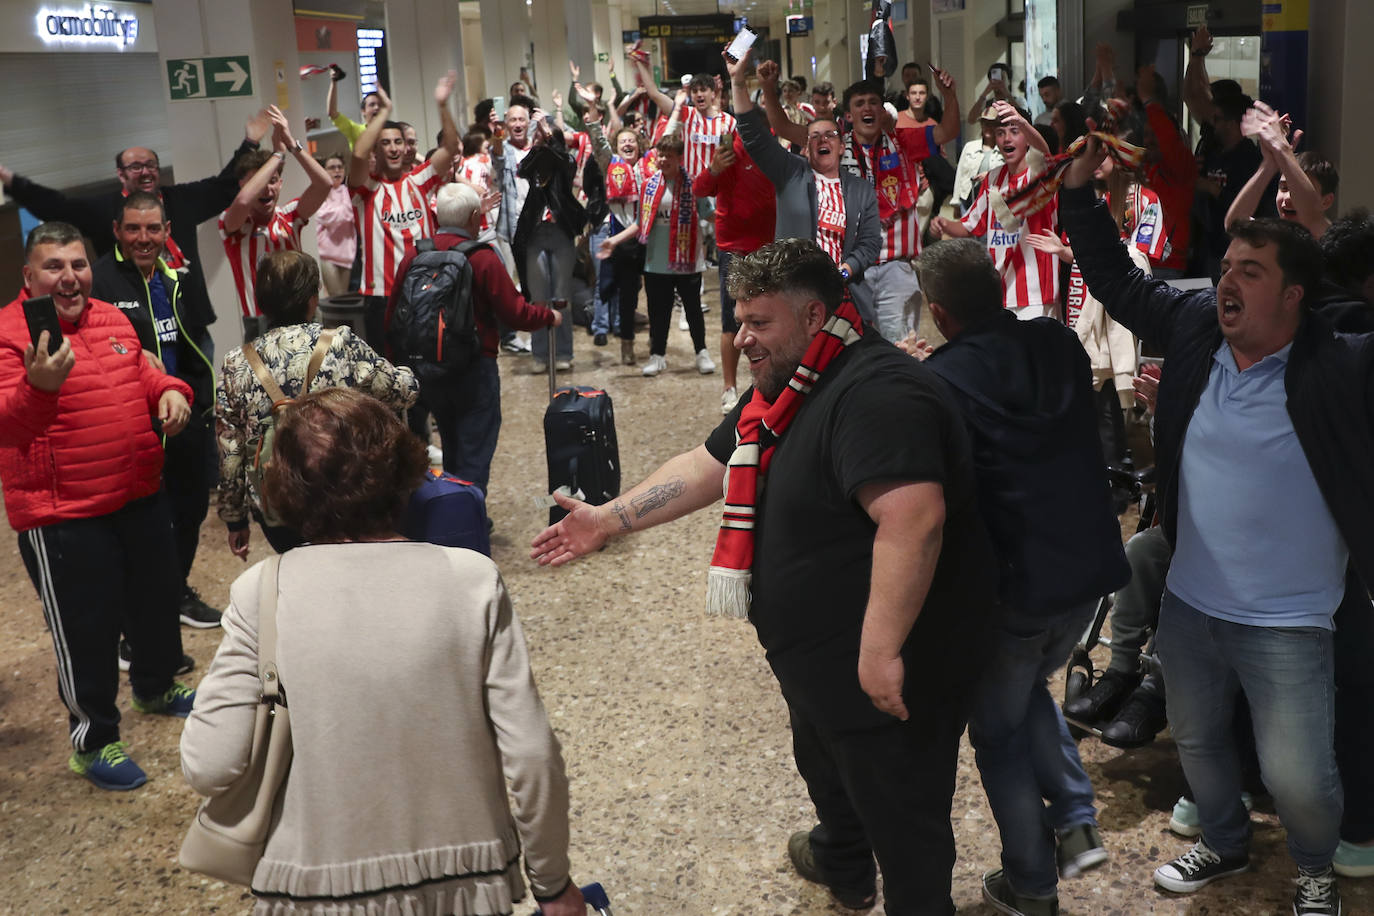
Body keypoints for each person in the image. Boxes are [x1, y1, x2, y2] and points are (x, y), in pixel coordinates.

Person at [532, 238, 998, 913]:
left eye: (759, 323)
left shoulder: (876, 395)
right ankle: (843, 861)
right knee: (828, 775)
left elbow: (914, 520)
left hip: (886, 679)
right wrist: (608, 520)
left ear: (815, 317)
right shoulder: (786, 390)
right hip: (821, 670)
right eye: (740, 319)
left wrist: (880, 649)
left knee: (907, 832)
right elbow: (709, 464)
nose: (741, 337)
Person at [1059, 131, 1369, 916]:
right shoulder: (1200, 327)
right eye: (1226, 269)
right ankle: (1227, 842)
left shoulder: (1339, 361)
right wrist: (1077, 195)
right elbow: (1118, 285)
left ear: (1295, 295)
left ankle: (1312, 870)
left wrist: (1299, 196)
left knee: (1300, 776)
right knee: (1198, 744)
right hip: (1191, 607)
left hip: (1293, 619)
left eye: (1250, 273)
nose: (1226, 281)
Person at [183, 387, 584, 916]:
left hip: (310, 887)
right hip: (466, 884)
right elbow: (532, 755)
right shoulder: (471, 580)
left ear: (284, 487)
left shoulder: (263, 590)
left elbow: (209, 764)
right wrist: (552, 883)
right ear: (404, 471)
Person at [908, 239, 1129, 916]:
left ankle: (1033, 882)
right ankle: (1074, 815)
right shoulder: (1060, 343)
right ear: (1000, 287)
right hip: (1089, 568)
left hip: (1015, 583)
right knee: (1029, 688)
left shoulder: (941, 379)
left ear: (940, 315)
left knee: (998, 733)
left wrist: (922, 373)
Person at [4, 221, 196, 791]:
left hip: (136, 493)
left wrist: (170, 392)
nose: (69, 277)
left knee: (155, 600)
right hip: (64, 513)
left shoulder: (112, 317)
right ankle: (93, 741)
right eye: (54, 267)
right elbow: (6, 423)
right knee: (87, 630)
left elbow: (142, 371)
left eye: (78, 264)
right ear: (29, 276)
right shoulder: (9, 333)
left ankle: (156, 686)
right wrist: (38, 387)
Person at [0, 111, 273, 345]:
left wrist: (250, 142)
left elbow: (222, 186)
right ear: (121, 174)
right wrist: (11, 182)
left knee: (200, 398)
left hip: (190, 324)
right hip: (134, 329)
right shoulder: (103, 210)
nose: (145, 172)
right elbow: (56, 206)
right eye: (135, 167)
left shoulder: (180, 200)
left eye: (150, 165)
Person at [215, 250, 418, 557]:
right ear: (313, 298)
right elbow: (403, 393)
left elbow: (231, 450)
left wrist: (235, 520)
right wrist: (407, 373)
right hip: (347, 497)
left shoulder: (237, 363)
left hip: (279, 506)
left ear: (261, 302)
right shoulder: (339, 344)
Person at [756, 62, 960, 342]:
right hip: (848, 268)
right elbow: (782, 126)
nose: (867, 108)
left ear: (881, 110)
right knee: (849, 347)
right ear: (849, 115)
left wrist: (949, 95)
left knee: (899, 348)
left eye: (874, 103)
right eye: (860, 103)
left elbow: (946, 132)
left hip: (895, 265)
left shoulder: (903, 141)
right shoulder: (831, 144)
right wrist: (768, 87)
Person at [91, 191, 220, 630]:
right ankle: (135, 625)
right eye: (133, 229)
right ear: (116, 231)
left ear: (167, 232)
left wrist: (203, 403)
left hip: (185, 417)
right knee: (144, 529)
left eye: (152, 229)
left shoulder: (170, 278)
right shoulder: (100, 283)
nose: (143, 239)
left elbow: (190, 344)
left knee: (191, 511)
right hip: (134, 425)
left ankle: (175, 591)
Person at [387, 183, 560, 491]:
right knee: (475, 450)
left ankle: (453, 510)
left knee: (451, 441)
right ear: (475, 217)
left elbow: (393, 317)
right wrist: (548, 316)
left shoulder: (413, 255)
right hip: (473, 368)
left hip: (426, 370)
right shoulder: (482, 258)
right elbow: (515, 313)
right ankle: (468, 519)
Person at [727, 49, 882, 327]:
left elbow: (870, 243)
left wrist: (845, 271)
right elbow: (753, 136)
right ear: (807, 146)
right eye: (814, 136)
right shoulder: (792, 173)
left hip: (846, 298)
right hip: (795, 296)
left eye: (830, 135)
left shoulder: (861, 189)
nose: (823, 140)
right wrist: (738, 82)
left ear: (841, 142)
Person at [349, 75, 459, 346]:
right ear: (377, 149)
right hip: (381, 295)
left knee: (427, 364)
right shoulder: (366, 188)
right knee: (387, 370)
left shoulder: (421, 180)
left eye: (398, 141)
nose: (394, 148)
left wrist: (443, 105)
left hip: (425, 287)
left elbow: (451, 148)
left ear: (407, 146)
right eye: (385, 143)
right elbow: (359, 154)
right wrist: (384, 111)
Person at [598, 131, 715, 377]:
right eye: (660, 155)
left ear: (679, 158)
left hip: (688, 262)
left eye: (669, 156)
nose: (663, 160)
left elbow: (710, 215)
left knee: (693, 309)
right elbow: (640, 223)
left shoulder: (695, 186)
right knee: (657, 312)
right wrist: (614, 241)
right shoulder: (649, 186)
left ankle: (701, 353)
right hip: (656, 264)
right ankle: (657, 356)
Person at [932, 102, 1060, 318]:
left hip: (1036, 298)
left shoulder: (1039, 174)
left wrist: (1022, 121)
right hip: (999, 295)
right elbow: (969, 226)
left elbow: (1044, 152)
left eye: (1014, 131)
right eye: (1000, 133)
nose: (1006, 139)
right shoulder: (993, 178)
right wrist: (943, 224)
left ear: (1027, 136)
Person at [220, 106, 333, 339]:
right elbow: (242, 202)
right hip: (260, 324)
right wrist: (276, 155)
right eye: (259, 182)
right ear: (244, 185)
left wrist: (291, 145)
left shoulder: (290, 215)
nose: (267, 189)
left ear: (280, 183)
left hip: (305, 318)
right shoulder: (235, 226)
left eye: (273, 181)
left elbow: (324, 184)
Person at [692, 111, 778, 414]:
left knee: (769, 319)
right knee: (733, 320)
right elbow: (699, 189)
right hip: (735, 250)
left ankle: (768, 384)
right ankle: (729, 388)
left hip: (769, 248)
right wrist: (714, 168)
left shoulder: (773, 151)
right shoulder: (729, 152)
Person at [1226, 101, 1337, 241]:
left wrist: (1283, 150)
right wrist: (1270, 164)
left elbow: (1311, 215)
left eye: (1296, 189)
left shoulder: (1331, 239)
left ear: (1326, 201)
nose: (1288, 197)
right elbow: (1234, 225)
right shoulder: (1274, 237)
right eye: (1284, 188)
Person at [314, 153, 357, 297]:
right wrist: (344, 211)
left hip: (347, 254)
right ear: (324, 171)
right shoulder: (320, 192)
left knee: (343, 297)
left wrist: (337, 214)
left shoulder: (348, 191)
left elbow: (352, 214)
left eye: (340, 167)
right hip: (327, 254)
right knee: (335, 295)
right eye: (332, 167)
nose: (337, 170)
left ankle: (342, 321)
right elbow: (322, 216)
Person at [953, 105, 1005, 212]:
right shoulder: (970, 147)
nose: (988, 127)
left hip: (993, 201)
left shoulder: (1004, 150)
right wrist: (956, 202)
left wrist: (989, 176)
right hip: (968, 200)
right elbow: (960, 174)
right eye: (985, 124)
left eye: (992, 124)